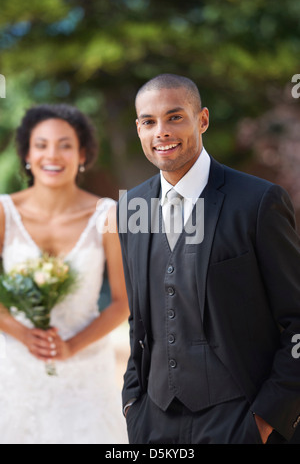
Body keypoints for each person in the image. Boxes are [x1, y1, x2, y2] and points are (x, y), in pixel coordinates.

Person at [117, 73, 300, 444]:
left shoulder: (258, 202)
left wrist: (267, 419)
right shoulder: (132, 207)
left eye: (175, 117)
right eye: (149, 122)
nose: (161, 132)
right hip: (153, 422)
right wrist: (132, 404)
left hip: (240, 418)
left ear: (202, 119)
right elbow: (140, 319)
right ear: (138, 129)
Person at [0, 104, 129, 444]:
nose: (52, 154)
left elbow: (122, 303)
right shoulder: (3, 212)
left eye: (65, 144)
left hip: (86, 372)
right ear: (27, 154)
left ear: (82, 154)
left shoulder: (109, 215)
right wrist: (23, 334)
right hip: (15, 368)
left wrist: (71, 346)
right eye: (41, 144)